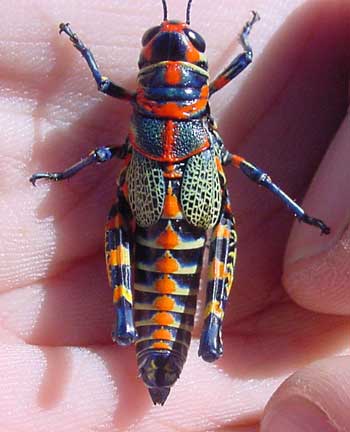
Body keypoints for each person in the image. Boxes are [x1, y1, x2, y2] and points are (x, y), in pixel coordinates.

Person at [0, 0, 349, 430]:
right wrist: (304, 214)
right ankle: (153, 326)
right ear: (200, 76)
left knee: (196, 221)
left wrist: (63, 171)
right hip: (170, 228)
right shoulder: (206, 112)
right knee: (189, 219)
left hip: (156, 222)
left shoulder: (135, 105)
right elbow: (247, 65)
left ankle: (197, 325)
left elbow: (103, 95)